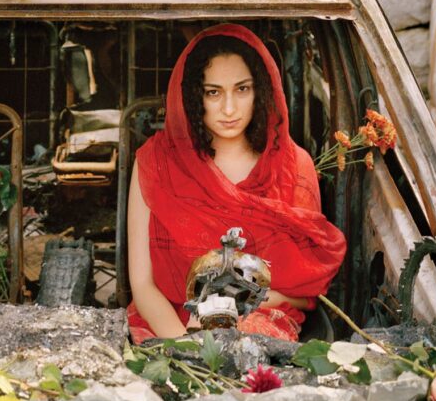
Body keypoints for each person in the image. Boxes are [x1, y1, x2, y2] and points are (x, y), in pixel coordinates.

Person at [127, 23, 347, 343]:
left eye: (242, 89)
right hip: (169, 323)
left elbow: (305, 293)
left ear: (260, 89)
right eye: (213, 92)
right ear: (192, 95)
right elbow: (143, 286)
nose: (229, 108)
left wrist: (221, 311)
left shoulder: (293, 168)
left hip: (259, 322)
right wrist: (182, 347)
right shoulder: (155, 163)